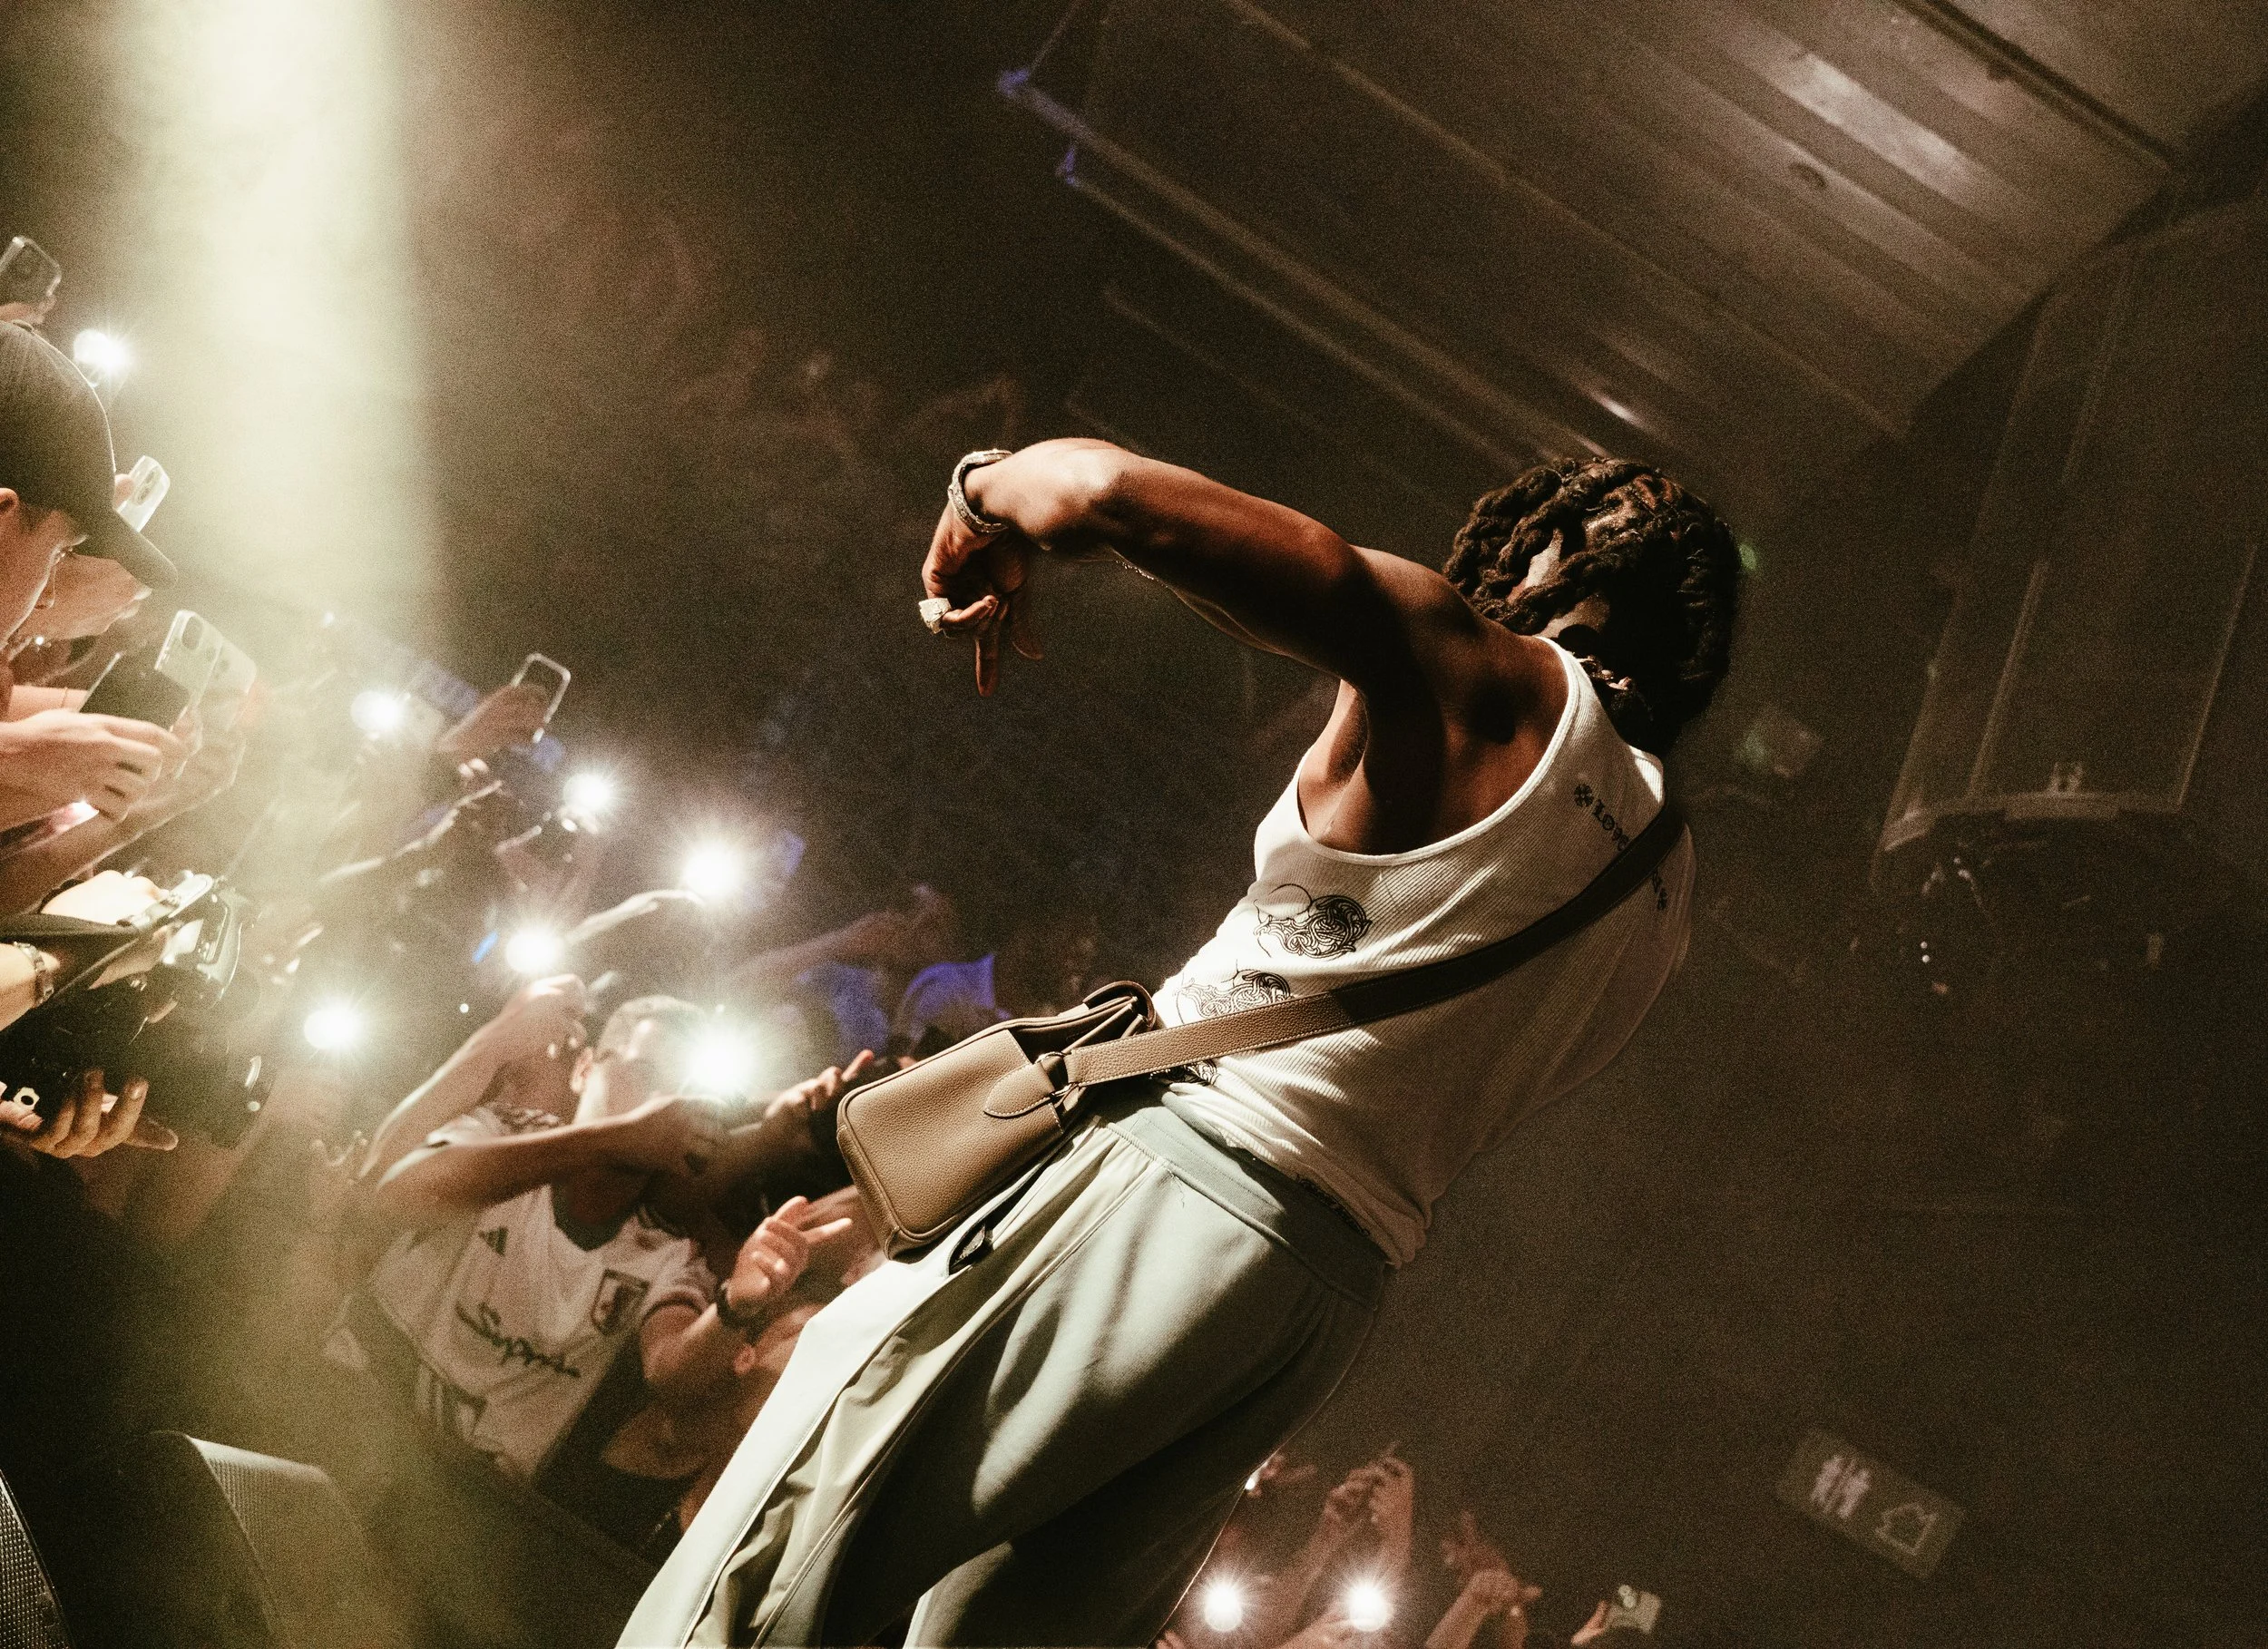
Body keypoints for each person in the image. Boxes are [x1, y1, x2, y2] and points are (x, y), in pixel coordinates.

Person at [621, 439, 1739, 1645]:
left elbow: (1114, 498)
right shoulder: (1665, 880)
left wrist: (981, 490)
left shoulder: (1497, 688)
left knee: (795, 1547)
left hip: (1178, 1178)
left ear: (1572, 568)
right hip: (1312, 1300)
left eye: (1536, 542)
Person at [327, 996, 736, 1481]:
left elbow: (670, 1366)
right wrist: (617, 1137)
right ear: (583, 1069)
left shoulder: (669, 1249)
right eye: (644, 1075)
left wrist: (741, 1305)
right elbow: (399, 1191)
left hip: (466, 1509)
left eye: (686, 1093)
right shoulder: (502, 1129)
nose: (666, 1108)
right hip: (345, 1416)